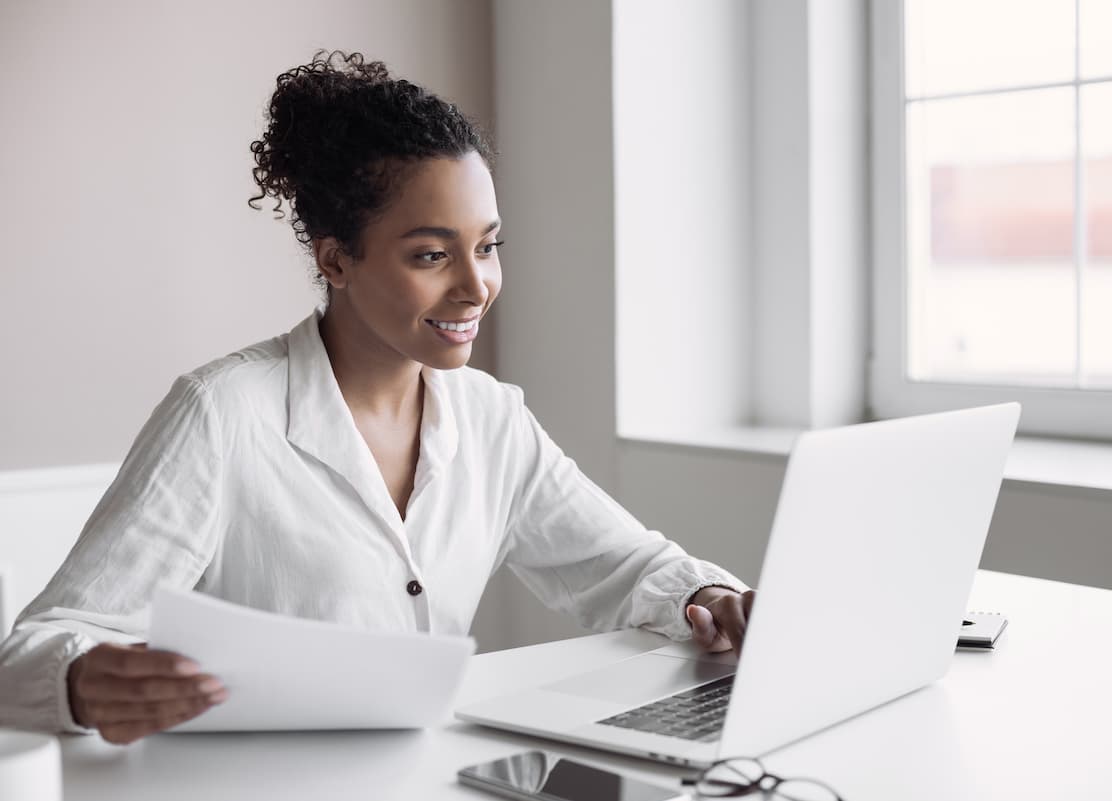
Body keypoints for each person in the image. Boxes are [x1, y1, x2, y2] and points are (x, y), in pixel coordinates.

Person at [0, 51, 752, 745]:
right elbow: (34, 648)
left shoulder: (491, 418)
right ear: (335, 258)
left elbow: (624, 566)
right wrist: (81, 677)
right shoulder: (222, 414)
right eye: (432, 254)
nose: (475, 284)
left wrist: (711, 594)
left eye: (488, 245)